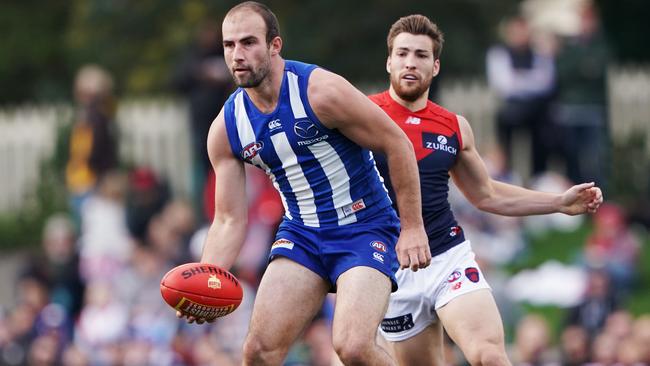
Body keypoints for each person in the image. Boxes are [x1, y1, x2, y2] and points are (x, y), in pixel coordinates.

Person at [178, 3, 430, 366]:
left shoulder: (320, 92)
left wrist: (413, 227)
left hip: (365, 228)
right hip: (303, 234)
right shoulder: (226, 128)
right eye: (229, 46)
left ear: (275, 45)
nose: (237, 55)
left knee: (353, 347)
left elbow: (398, 144)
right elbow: (229, 220)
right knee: (258, 351)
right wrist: (206, 281)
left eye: (249, 42)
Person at [368, 15, 603, 365]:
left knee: (489, 355)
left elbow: (487, 194)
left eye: (420, 55)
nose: (410, 63)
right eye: (402, 54)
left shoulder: (453, 126)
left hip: (447, 256)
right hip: (391, 266)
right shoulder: (362, 115)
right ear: (389, 61)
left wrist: (558, 202)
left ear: (435, 66)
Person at [486, 15, 555, 176]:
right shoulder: (498, 54)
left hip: (537, 110)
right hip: (511, 108)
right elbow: (504, 86)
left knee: (542, 141)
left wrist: (519, 78)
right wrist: (530, 80)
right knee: (505, 139)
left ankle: (539, 176)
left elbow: (546, 82)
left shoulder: (539, 54)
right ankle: (505, 174)